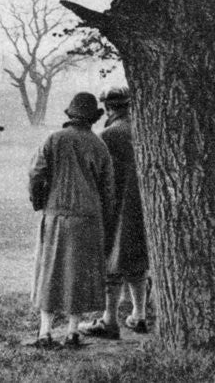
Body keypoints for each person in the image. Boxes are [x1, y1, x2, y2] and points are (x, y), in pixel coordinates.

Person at [27, 92, 115, 349]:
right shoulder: (99, 145)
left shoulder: (54, 139)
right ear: (92, 118)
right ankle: (73, 331)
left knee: (50, 272)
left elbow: (35, 174)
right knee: (79, 274)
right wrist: (105, 220)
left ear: (70, 115)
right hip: (89, 217)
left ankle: (44, 332)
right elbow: (108, 189)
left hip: (57, 214)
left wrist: (39, 201)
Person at [79, 86, 150, 340]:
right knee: (137, 262)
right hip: (145, 208)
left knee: (111, 263)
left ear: (108, 108)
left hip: (117, 207)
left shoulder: (107, 135)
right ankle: (139, 315)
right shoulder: (145, 130)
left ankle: (109, 321)